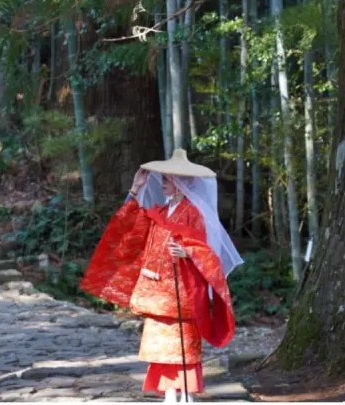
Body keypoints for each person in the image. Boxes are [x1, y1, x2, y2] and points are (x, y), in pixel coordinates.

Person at [80, 149, 243, 403]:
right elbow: (129, 230)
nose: (163, 184)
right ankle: (169, 392)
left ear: (180, 183)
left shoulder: (193, 213)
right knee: (161, 346)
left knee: (184, 344)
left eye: (167, 180)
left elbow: (206, 250)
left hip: (183, 289)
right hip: (156, 290)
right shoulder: (157, 213)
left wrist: (188, 251)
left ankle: (187, 393)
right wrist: (134, 190)